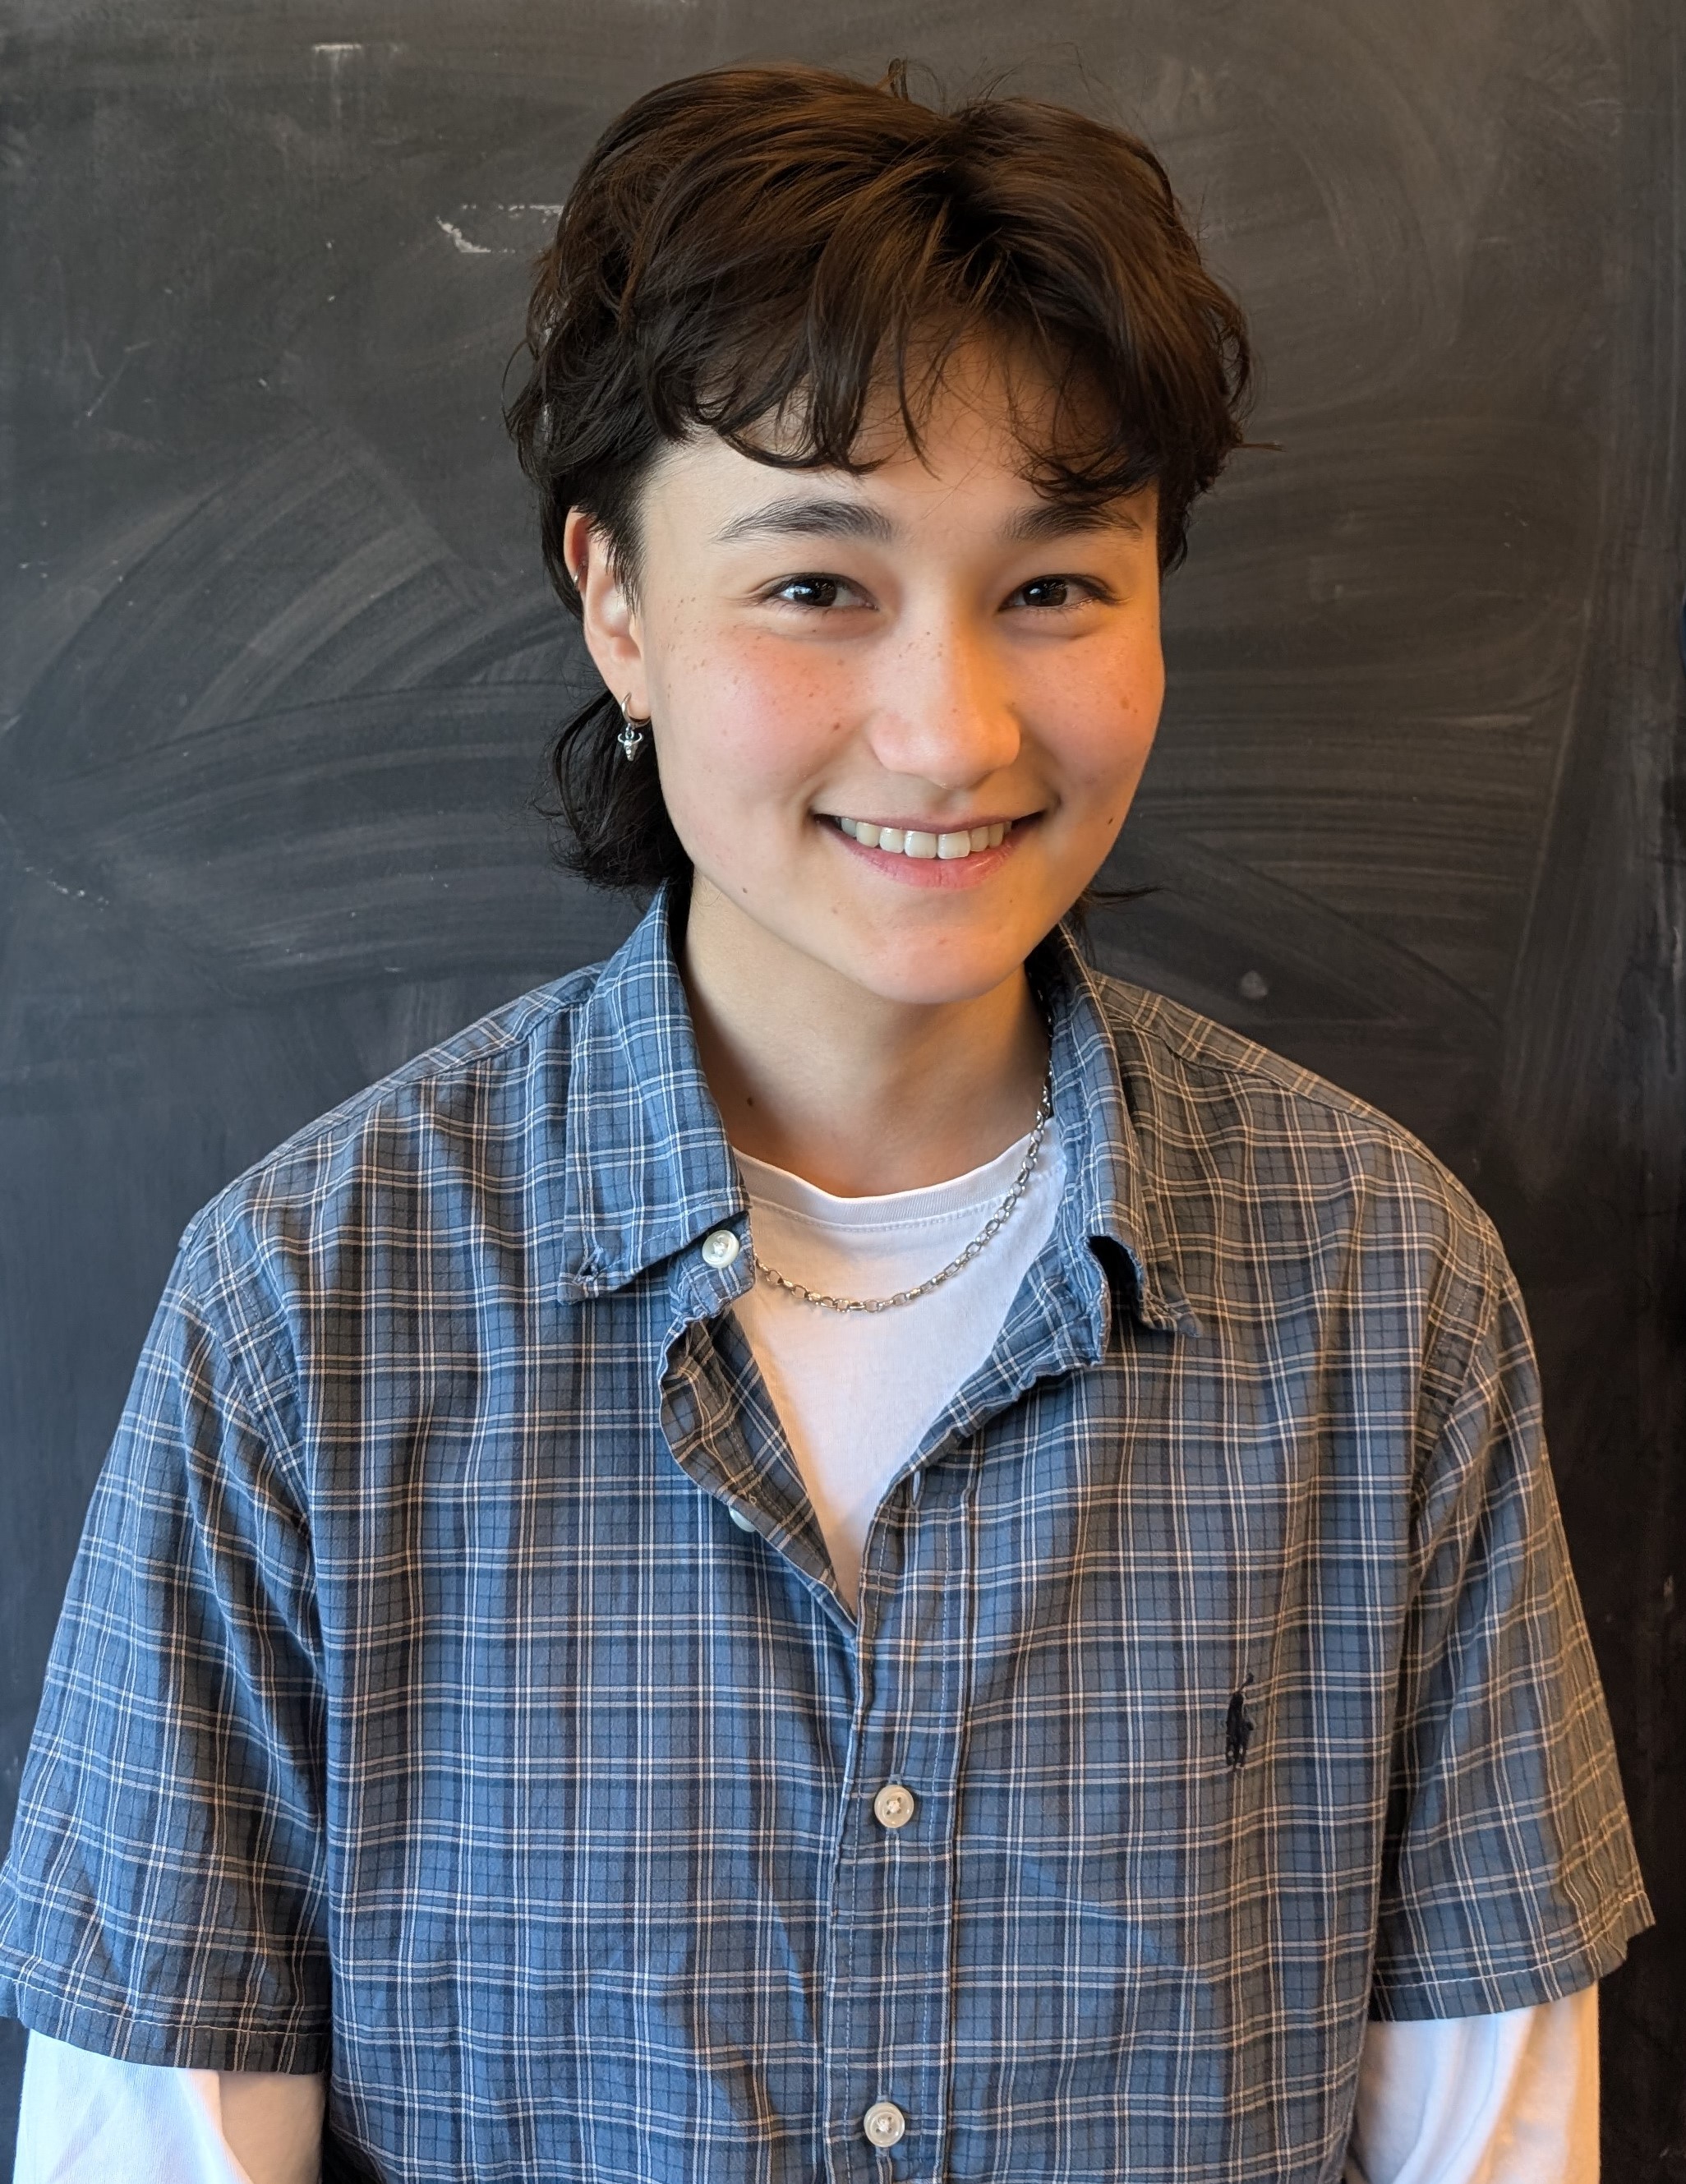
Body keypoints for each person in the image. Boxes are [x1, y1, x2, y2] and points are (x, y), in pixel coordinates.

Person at [0, 58, 1650, 2184]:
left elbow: (1491, 2144)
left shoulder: (1381, 1289)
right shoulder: (309, 1315)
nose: (948, 732)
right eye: (815, 585)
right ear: (616, 602)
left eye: (1052, 586)